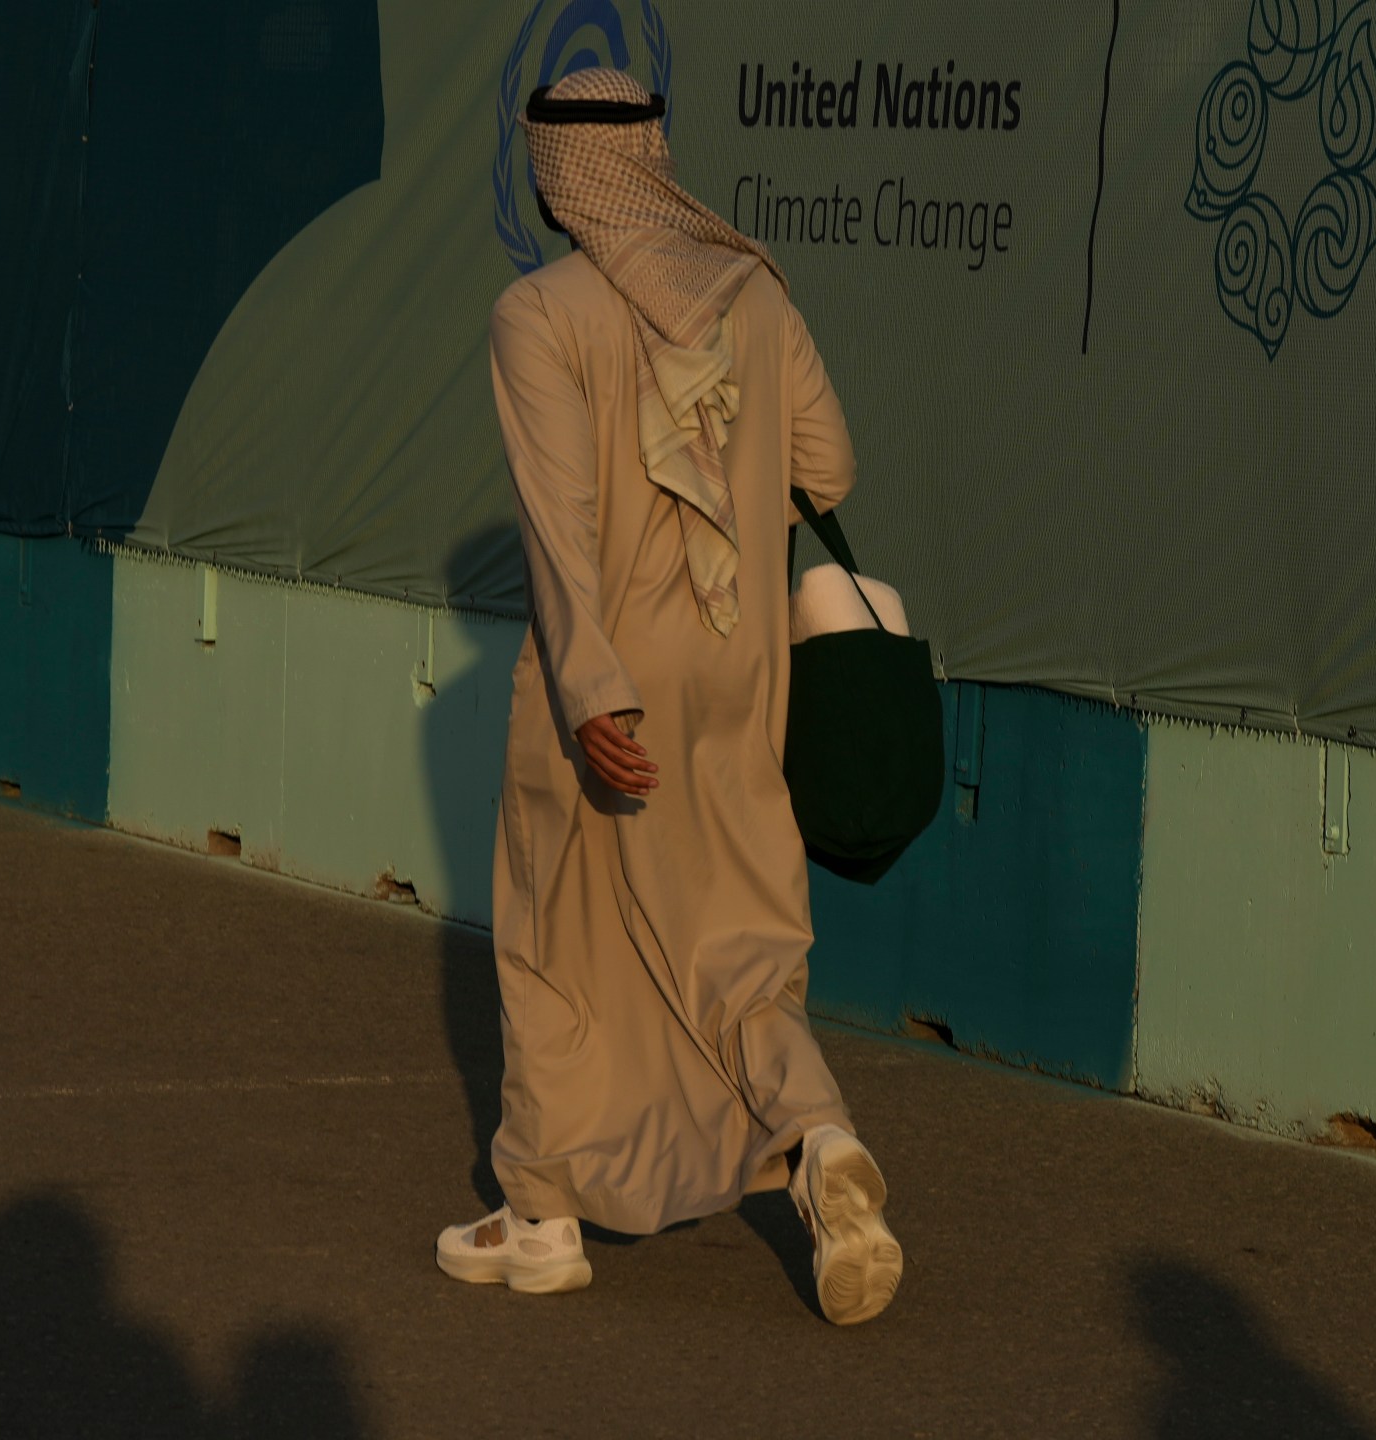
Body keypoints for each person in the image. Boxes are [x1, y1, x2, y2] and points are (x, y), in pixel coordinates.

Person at [435, 66, 901, 1325]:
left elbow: (558, 524)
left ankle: (539, 1218)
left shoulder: (539, 314)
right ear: (652, 151)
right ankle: (818, 1139)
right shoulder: (748, 288)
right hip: (742, 677)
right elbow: (829, 464)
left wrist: (591, 691)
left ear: (554, 172)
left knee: (554, 947)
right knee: (746, 948)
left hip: (615, 686)